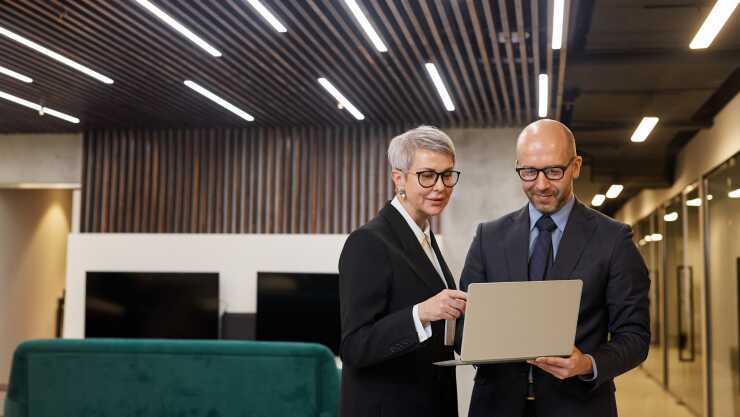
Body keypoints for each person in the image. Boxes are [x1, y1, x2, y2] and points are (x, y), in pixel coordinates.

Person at [458, 119, 650, 417]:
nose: (542, 184)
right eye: (529, 172)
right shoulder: (488, 237)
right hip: (496, 406)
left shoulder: (613, 239)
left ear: (575, 166)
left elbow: (635, 336)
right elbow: (464, 327)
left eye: (554, 171)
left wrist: (587, 363)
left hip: (579, 406)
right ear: (518, 167)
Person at [338, 126, 467, 417]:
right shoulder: (369, 241)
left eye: (447, 175)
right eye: (427, 175)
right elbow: (354, 347)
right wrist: (420, 313)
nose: (440, 186)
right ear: (399, 179)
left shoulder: (425, 237)